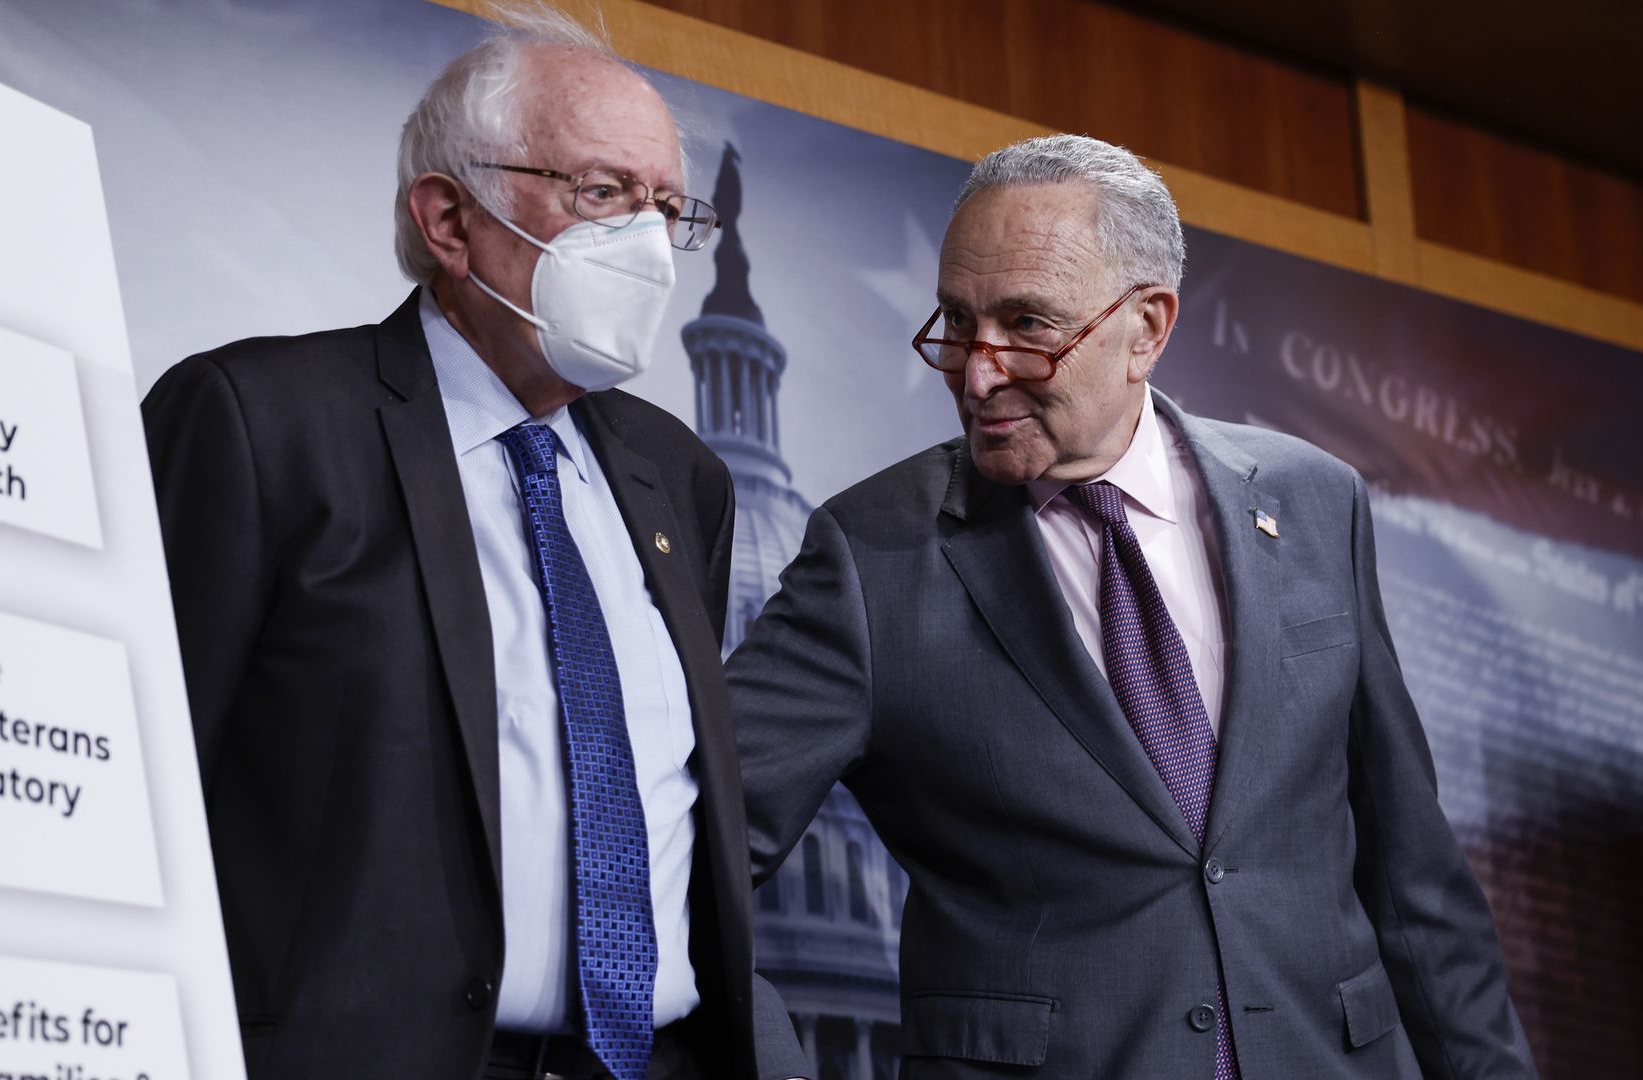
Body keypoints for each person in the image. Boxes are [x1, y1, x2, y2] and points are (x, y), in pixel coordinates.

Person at [732, 135, 1537, 1078]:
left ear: (1147, 327)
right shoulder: (870, 555)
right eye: (957, 321)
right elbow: (691, 850)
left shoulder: (1315, 501)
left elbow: (1414, 876)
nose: (979, 374)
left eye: (1028, 325)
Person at [143, 10, 768, 1079]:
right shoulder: (259, 424)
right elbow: (143, 789)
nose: (651, 247)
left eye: (670, 208)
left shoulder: (683, 479)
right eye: (603, 194)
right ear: (448, 218)